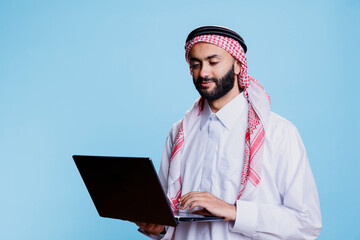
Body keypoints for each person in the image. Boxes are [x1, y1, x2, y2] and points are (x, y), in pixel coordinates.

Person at [136, 26, 322, 239]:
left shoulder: (279, 132)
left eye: (213, 62)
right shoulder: (179, 133)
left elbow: (307, 223)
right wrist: (158, 227)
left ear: (237, 65)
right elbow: (168, 217)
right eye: (196, 64)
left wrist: (236, 212)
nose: (204, 72)